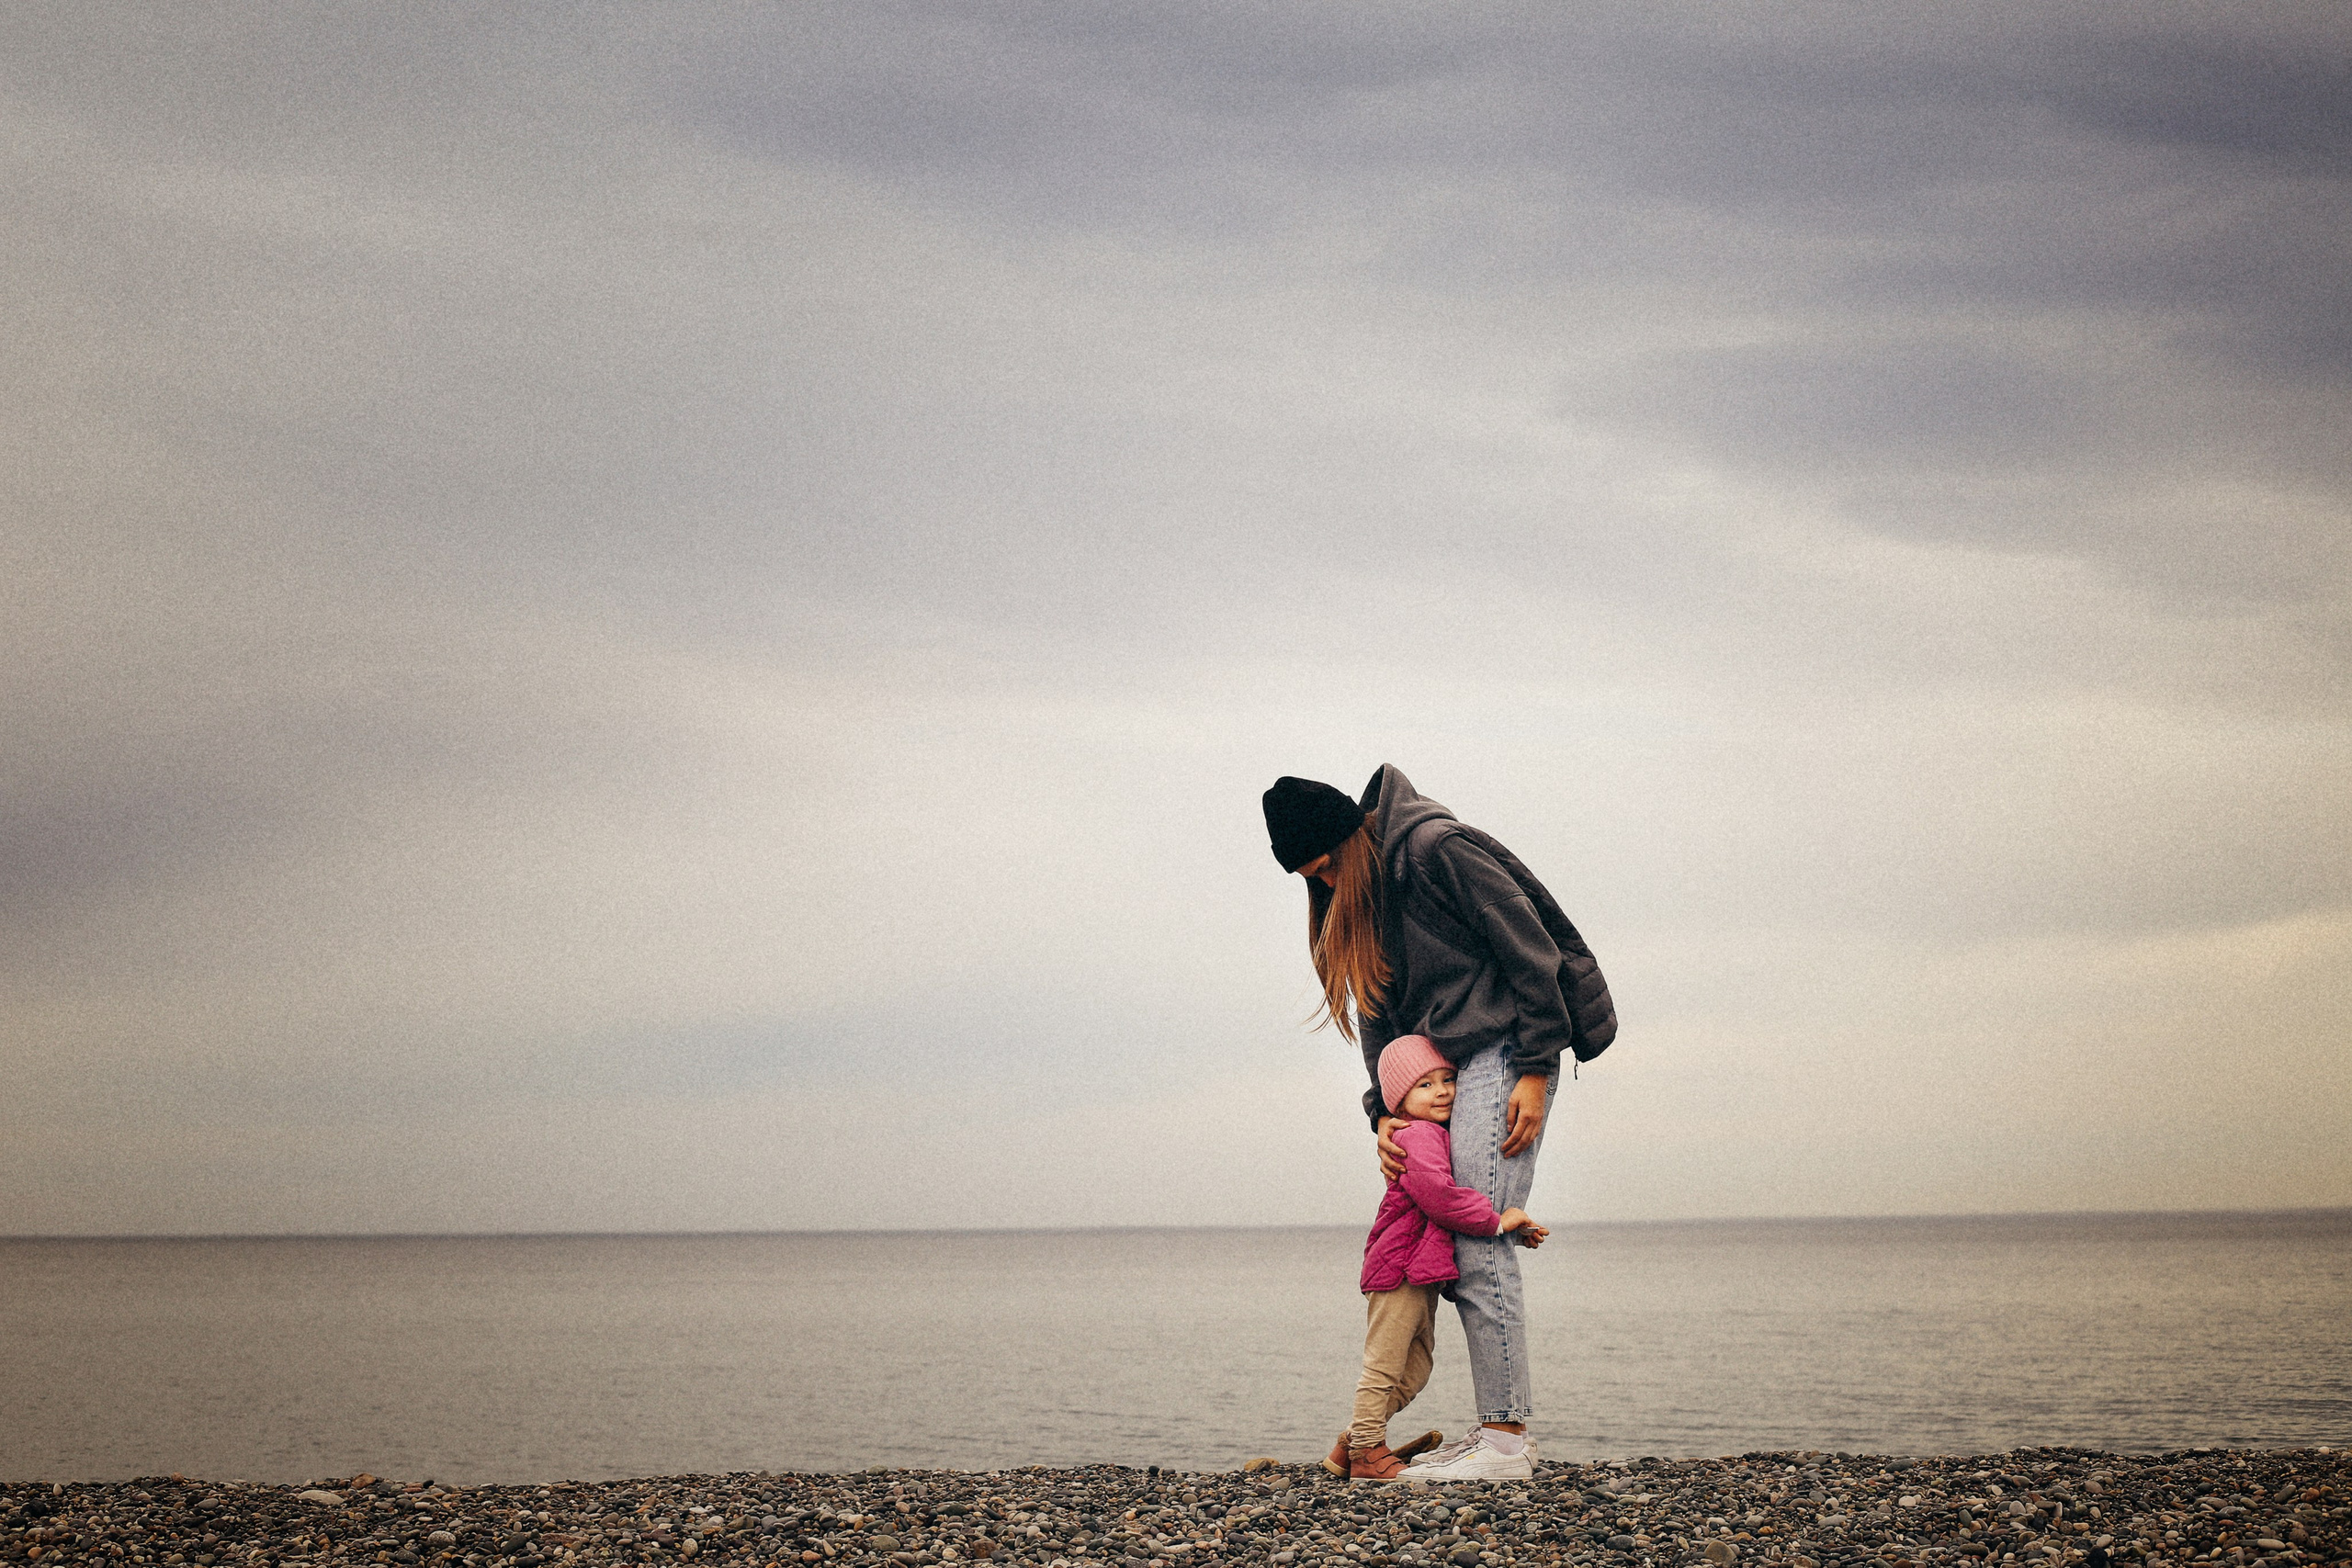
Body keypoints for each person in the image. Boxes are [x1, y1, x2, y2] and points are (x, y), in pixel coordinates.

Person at [1263, 764, 1616, 1483]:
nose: (1324, 884)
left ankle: (1506, 1444)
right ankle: (1496, 1435)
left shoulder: (1434, 849)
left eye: (1326, 865)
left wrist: (1535, 1066)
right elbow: (1378, 1016)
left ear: (1351, 835)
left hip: (1508, 1047)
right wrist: (1384, 1118)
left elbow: (1530, 947)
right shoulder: (1357, 897)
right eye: (1310, 878)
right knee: (1459, 1233)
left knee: (1476, 1229)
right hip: (1439, 1069)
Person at [1330, 1034, 1546, 1483]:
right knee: (1386, 1365)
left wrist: (1513, 1229)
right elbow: (1440, 1200)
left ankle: (1350, 1442)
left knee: (1415, 1368)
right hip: (1399, 1270)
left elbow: (1448, 1211)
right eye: (1425, 1085)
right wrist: (1494, 1223)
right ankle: (1367, 1452)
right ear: (1398, 1100)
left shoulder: (1435, 1134)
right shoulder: (1418, 1135)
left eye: (1447, 1079)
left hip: (1419, 1271)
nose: (1444, 1091)